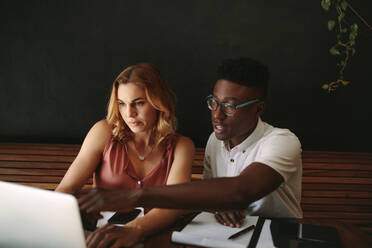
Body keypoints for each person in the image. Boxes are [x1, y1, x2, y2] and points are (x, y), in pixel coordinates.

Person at [78, 57, 302, 230]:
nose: (217, 115)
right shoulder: (216, 140)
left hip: (277, 234)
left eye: (230, 106)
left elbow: (241, 191)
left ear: (259, 108)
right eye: (214, 102)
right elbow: (212, 195)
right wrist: (217, 204)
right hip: (227, 234)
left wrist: (134, 196)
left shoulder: (282, 141)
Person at [56, 62, 195, 248]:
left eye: (138, 103)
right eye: (122, 104)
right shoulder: (103, 132)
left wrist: (132, 231)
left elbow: (172, 206)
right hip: (103, 238)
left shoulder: (181, 146)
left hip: (154, 239)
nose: (129, 113)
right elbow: (65, 189)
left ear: (158, 101)